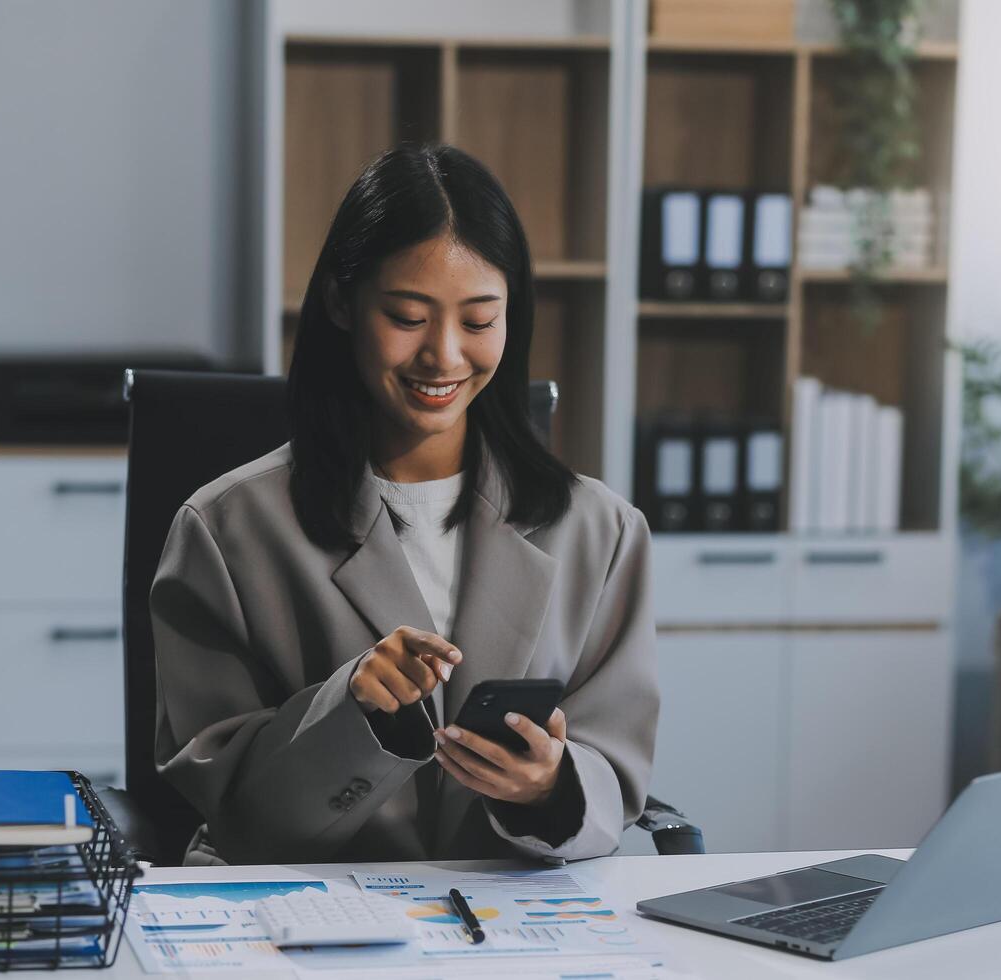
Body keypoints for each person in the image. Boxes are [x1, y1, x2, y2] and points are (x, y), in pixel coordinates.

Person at [150, 144, 659, 866]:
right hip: (306, 917)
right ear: (340, 301)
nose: (445, 356)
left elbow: (616, 769)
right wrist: (348, 710)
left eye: (479, 322)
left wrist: (551, 786)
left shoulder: (600, 531)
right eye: (408, 316)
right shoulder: (225, 530)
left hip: (517, 925)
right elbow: (228, 805)